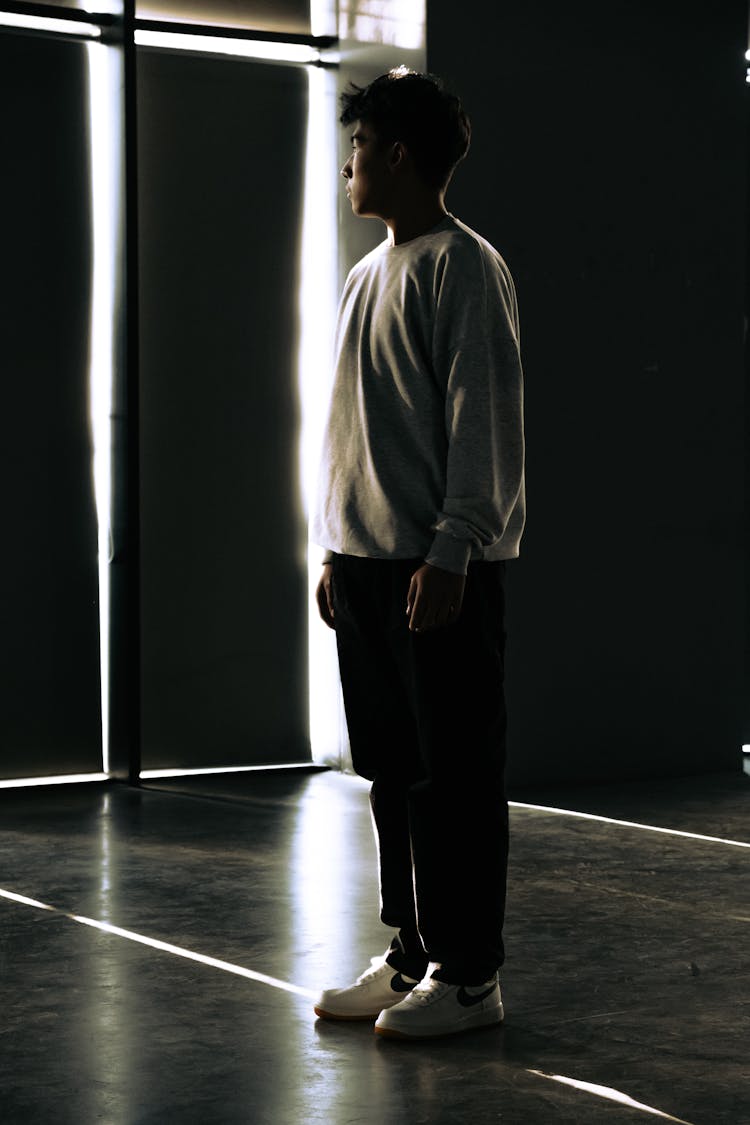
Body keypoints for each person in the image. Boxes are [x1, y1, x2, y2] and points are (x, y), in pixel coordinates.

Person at [310, 67, 525, 1040]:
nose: (348, 164)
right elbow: (353, 430)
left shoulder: (465, 268)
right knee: (394, 773)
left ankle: (470, 976)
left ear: (397, 154)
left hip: (435, 573)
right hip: (364, 569)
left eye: (359, 147)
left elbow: (483, 421)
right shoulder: (366, 275)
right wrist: (333, 548)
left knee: (454, 776)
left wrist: (453, 549)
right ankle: (413, 954)